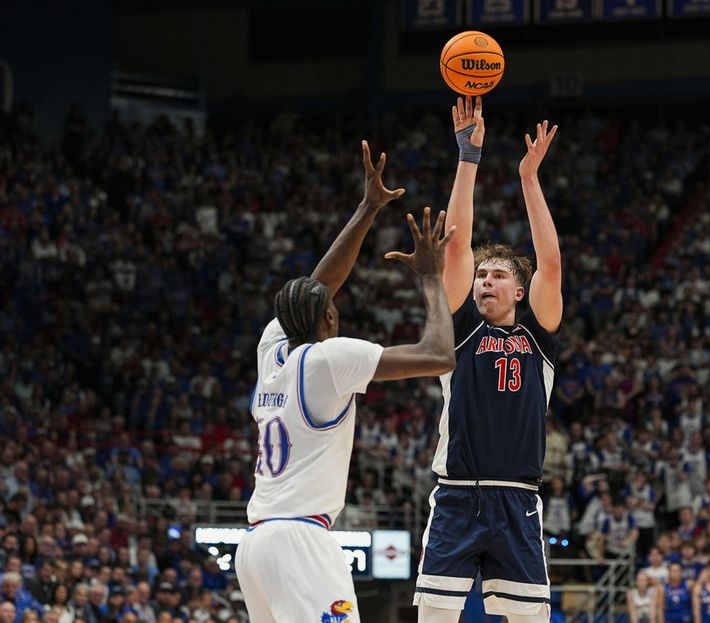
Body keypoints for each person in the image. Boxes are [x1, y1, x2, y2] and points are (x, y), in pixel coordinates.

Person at [234, 141, 458, 623]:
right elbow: (440, 355)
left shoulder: (272, 345)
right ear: (329, 320)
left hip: (255, 545)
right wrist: (432, 278)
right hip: (300, 542)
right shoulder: (328, 359)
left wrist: (368, 208)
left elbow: (316, 288)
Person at [413, 96, 563, 623]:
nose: (485, 280)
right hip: (456, 496)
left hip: (517, 500)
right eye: (482, 276)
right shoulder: (461, 327)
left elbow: (550, 260)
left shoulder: (539, 333)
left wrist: (529, 178)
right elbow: (456, 247)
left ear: (520, 291)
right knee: (433, 617)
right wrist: (468, 158)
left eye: (498, 275)